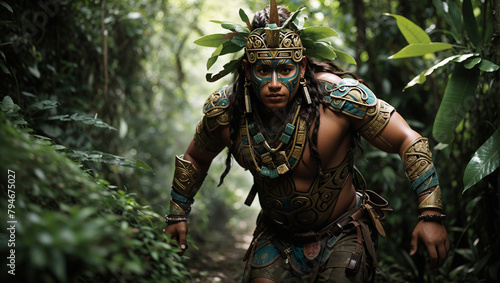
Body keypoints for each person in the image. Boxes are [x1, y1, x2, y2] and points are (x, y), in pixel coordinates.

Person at [164, 1, 450, 282]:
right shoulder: (227, 111)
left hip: (342, 232)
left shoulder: (340, 99)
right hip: (277, 238)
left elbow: (407, 139)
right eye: (263, 70)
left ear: (301, 68)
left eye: (285, 70)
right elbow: (196, 157)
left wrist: (431, 215)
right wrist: (178, 214)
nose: (274, 83)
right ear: (248, 70)